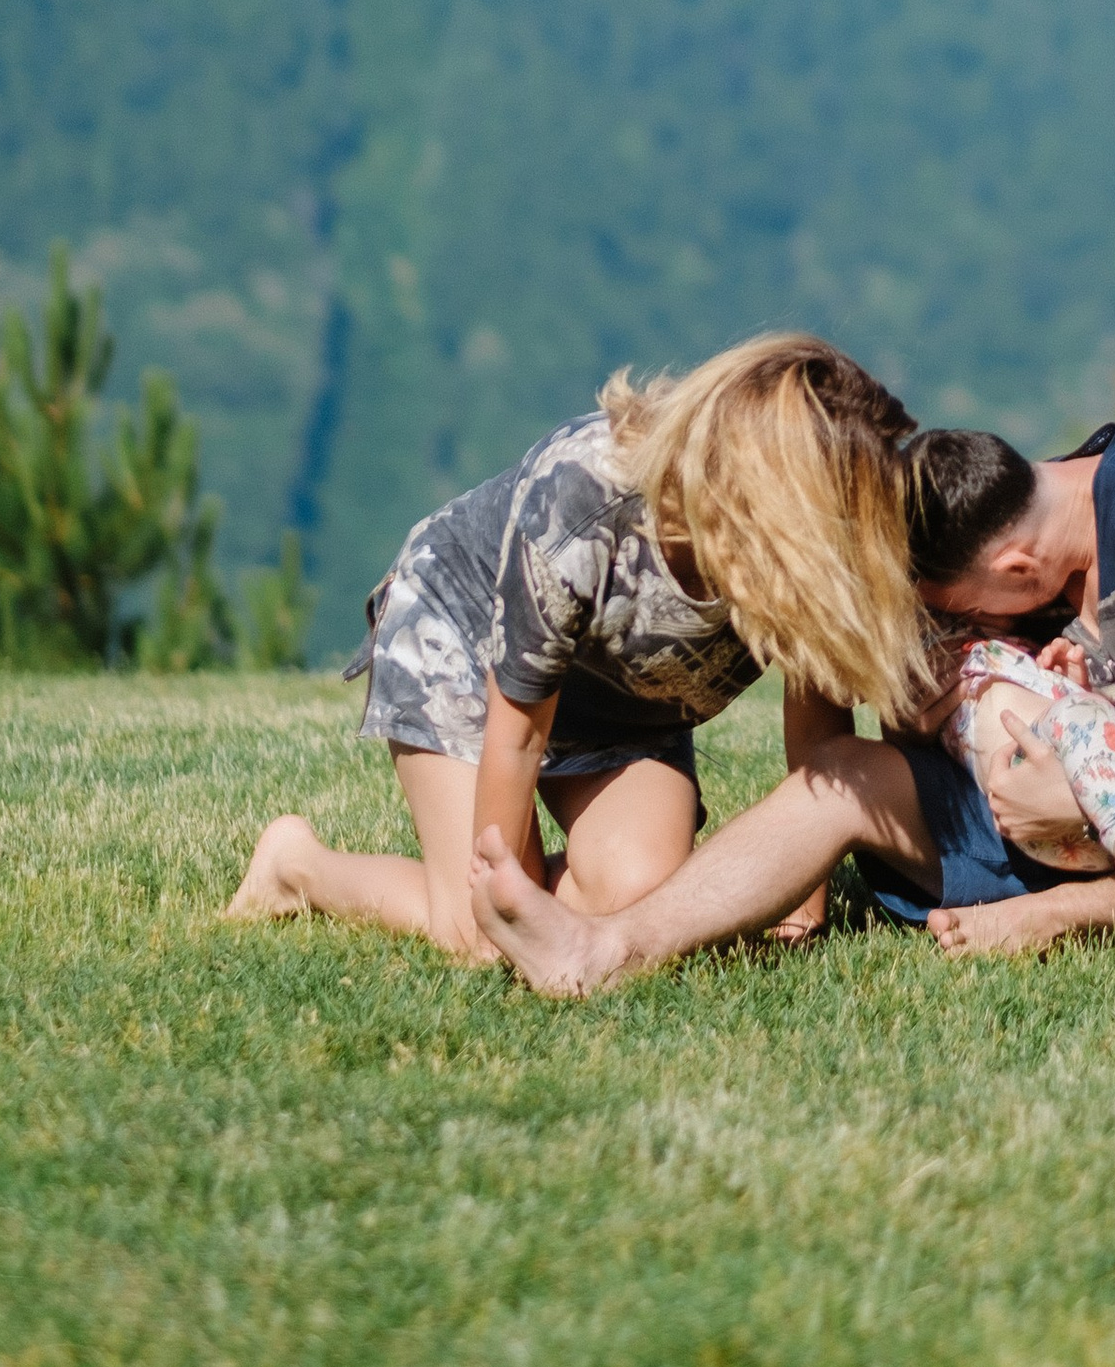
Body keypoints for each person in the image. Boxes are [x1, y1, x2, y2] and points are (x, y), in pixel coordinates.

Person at [466, 416, 1115, 990]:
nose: (963, 625)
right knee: (842, 773)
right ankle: (604, 951)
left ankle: (1054, 919)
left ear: (1015, 567)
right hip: (1030, 822)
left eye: (962, 608)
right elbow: (897, 713)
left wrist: (1085, 795)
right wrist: (928, 709)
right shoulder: (1005, 521)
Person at [225, 333, 926, 956]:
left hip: (623, 704)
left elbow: (818, 727)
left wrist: (800, 893)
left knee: (636, 897)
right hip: (464, 641)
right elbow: (518, 737)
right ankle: (297, 867)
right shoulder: (582, 502)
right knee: (481, 937)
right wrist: (506, 903)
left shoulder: (815, 551)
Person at [944, 615, 1115, 875]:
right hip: (1032, 803)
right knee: (1082, 712)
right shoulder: (946, 665)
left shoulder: (1011, 644)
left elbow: (1085, 728)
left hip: (1100, 767)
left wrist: (1073, 685)